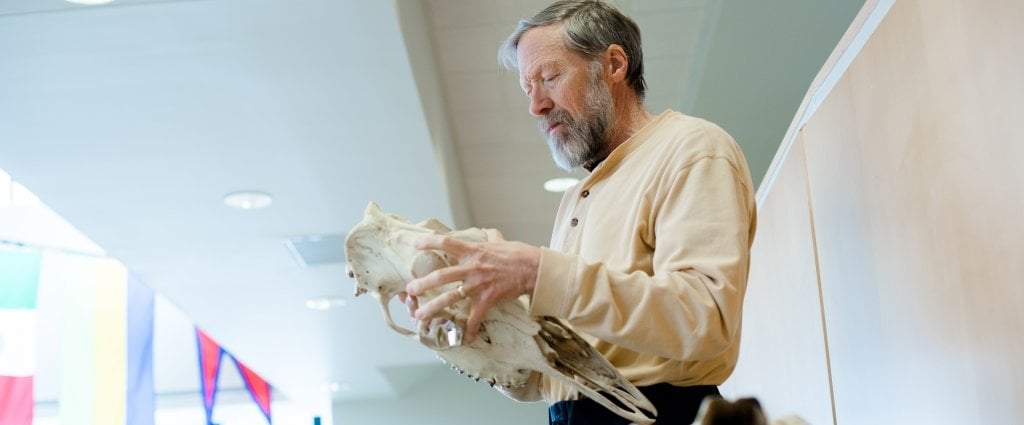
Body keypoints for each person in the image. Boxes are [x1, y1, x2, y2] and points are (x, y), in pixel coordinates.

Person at [405, 1, 757, 423]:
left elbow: (705, 318)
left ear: (613, 64)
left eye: (549, 78)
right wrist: (477, 334)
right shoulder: (577, 198)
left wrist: (540, 273)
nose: (536, 105)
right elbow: (556, 374)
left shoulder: (692, 149)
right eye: (527, 88)